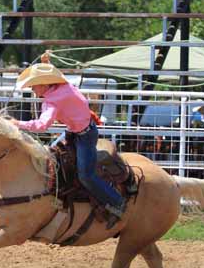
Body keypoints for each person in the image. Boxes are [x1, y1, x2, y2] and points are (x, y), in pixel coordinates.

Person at [12, 58, 126, 229]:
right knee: (55, 157)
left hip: (84, 136)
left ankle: (117, 203)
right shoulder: (63, 86)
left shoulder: (52, 101)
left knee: (86, 176)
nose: (33, 90)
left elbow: (42, 126)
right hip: (79, 131)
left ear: (44, 84)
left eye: (34, 85)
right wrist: (48, 64)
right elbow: (57, 76)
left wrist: (17, 123)